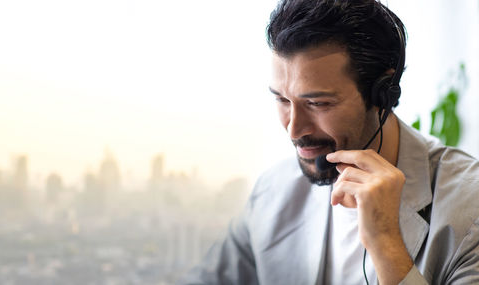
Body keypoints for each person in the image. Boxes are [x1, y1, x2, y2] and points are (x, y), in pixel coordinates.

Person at [178, 0, 479, 284]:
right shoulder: (272, 192)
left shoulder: (470, 210)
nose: (294, 129)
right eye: (282, 100)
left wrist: (386, 245)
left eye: (318, 104)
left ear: (381, 94)